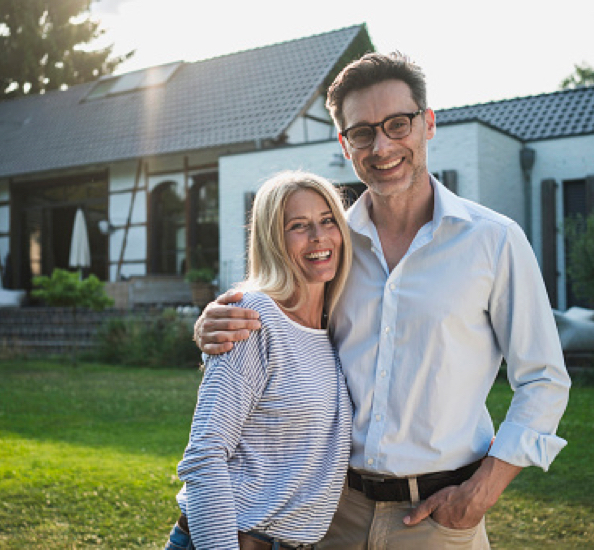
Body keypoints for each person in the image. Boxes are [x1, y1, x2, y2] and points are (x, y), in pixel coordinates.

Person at [194, 52, 571, 549]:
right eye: (363, 132)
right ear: (345, 145)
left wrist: (482, 491)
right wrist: (212, 326)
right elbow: (276, 320)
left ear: (429, 123)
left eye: (398, 124)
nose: (383, 145)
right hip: (329, 517)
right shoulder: (329, 248)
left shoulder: (494, 241)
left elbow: (543, 379)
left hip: (440, 519)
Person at [165, 170, 354, 550]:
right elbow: (205, 456)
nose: (319, 237)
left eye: (327, 220)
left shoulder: (334, 327)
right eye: (299, 226)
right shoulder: (253, 316)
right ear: (272, 239)